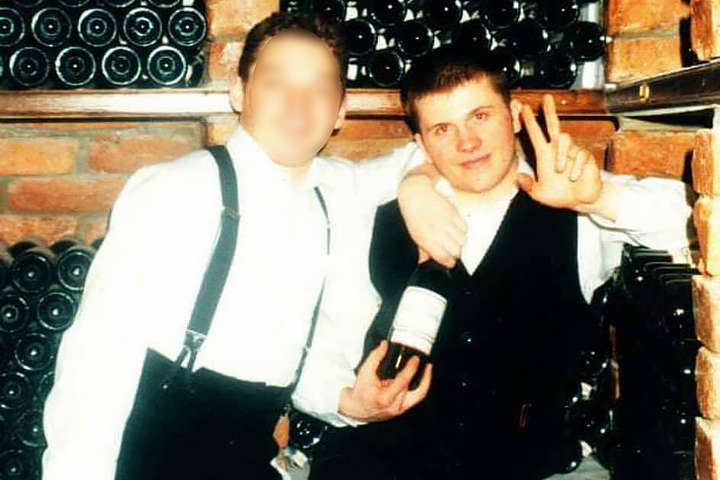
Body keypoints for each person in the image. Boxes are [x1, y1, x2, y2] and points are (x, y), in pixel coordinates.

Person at [41, 13, 457, 480]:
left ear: (341, 111)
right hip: (151, 457)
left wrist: (417, 185)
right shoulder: (177, 190)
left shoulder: (337, 191)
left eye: (320, 89)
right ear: (239, 93)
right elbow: (95, 365)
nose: (299, 104)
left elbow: (441, 148)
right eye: (277, 82)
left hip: (249, 454)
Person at [296, 46, 693, 479]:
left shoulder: (576, 204)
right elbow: (324, 345)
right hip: (381, 462)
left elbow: (697, 223)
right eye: (443, 129)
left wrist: (599, 199)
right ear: (421, 144)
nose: (467, 142)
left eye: (480, 116)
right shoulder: (378, 216)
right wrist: (347, 402)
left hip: (524, 466)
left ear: (514, 115)